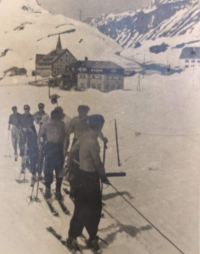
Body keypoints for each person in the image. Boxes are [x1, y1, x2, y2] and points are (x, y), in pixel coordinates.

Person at [66, 115, 109, 252]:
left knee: (81, 208)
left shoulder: (84, 136)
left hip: (81, 176)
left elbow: (72, 150)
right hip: (90, 178)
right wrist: (103, 176)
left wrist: (68, 165)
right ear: (99, 126)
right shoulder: (93, 142)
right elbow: (97, 162)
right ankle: (78, 237)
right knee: (94, 209)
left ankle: (81, 236)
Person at [38, 109, 65, 200]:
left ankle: (58, 190)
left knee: (59, 170)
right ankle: (48, 189)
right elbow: (39, 136)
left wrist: (64, 148)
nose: (57, 120)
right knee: (48, 169)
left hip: (59, 148)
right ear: (53, 117)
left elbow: (64, 136)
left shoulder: (62, 124)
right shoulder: (46, 124)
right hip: (49, 147)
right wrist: (40, 146)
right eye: (56, 118)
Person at [19, 105, 39, 186]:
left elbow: (35, 130)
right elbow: (20, 126)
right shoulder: (22, 117)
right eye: (25, 109)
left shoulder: (32, 118)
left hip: (32, 139)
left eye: (28, 109)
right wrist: (23, 133)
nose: (26, 110)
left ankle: (32, 169)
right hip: (24, 137)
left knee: (32, 154)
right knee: (24, 153)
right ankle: (23, 168)